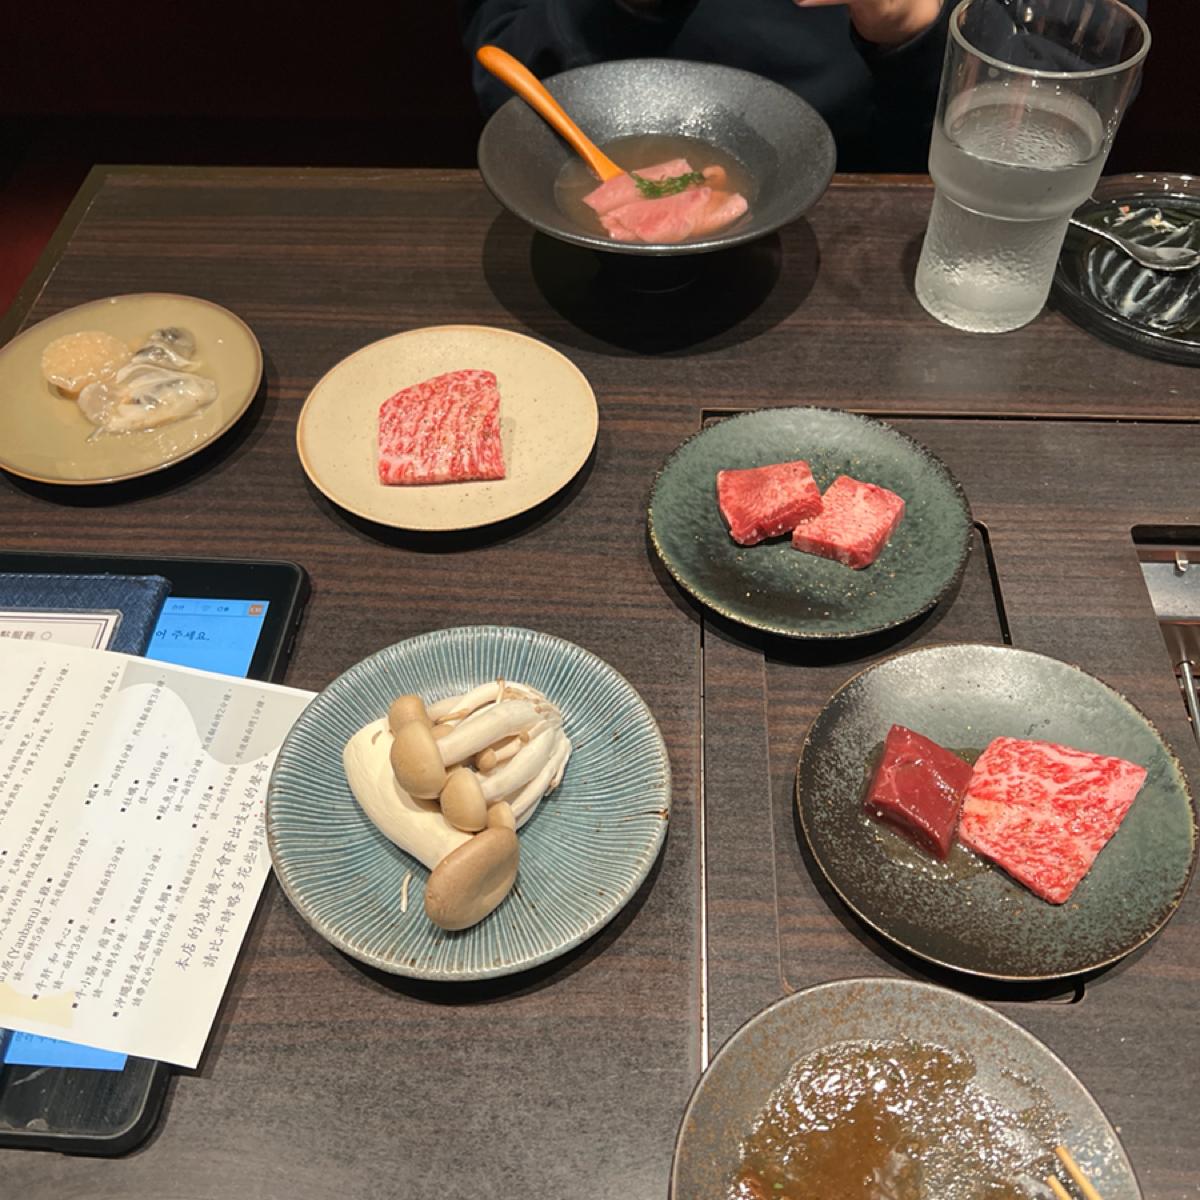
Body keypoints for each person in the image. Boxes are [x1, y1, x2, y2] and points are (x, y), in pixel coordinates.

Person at [457, 0, 1148, 173]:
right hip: (596, 211)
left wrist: (911, 22)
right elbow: (504, 73)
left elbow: (1062, 126)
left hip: (911, 233)